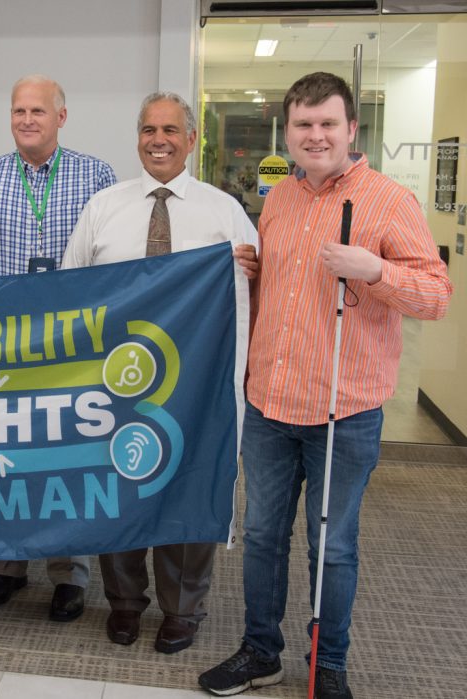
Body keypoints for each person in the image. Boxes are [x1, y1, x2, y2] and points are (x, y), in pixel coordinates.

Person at [199, 72, 451, 699]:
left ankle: (327, 664)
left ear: (350, 130)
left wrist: (378, 269)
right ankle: (261, 652)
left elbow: (437, 296)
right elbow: (279, 293)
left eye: (328, 124)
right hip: (270, 406)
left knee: (331, 546)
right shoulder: (280, 199)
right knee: (260, 537)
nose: (316, 136)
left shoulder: (388, 201)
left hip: (345, 410)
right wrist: (252, 271)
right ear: (290, 131)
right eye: (304, 125)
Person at [63, 92, 258, 654]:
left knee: (187, 486)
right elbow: (72, 288)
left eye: (171, 130)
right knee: (117, 485)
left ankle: (184, 607)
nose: (158, 140)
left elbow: (255, 292)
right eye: (149, 129)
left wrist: (247, 270)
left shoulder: (224, 211)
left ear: (191, 140)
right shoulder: (104, 206)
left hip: (193, 383)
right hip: (113, 380)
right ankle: (124, 601)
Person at [0, 74, 116, 621]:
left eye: (38, 111)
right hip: (2, 344)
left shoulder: (96, 175)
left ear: (61, 117)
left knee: (61, 456)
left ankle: (68, 574)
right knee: (3, 454)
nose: (27, 120)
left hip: (68, 346)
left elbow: (107, 256)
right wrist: (6, 304)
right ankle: (6, 565)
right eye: (19, 110)